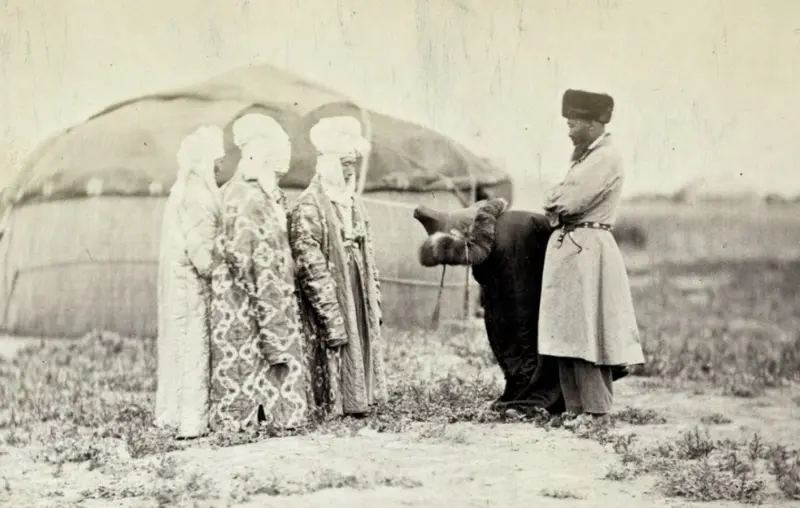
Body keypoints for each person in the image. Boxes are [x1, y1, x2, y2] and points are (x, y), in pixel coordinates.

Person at [538, 89, 645, 418]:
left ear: (590, 124)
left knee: (588, 333)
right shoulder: (585, 159)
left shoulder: (604, 159)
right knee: (568, 333)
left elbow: (566, 202)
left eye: (572, 124)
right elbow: (559, 199)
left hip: (589, 252)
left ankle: (596, 413)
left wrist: (556, 201)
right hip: (573, 251)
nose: (568, 131)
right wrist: (558, 201)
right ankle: (575, 410)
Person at [413, 198, 565, 416]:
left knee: (520, 323)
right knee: (497, 321)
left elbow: (520, 313)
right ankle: (518, 386)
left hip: (524, 258)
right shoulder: (485, 235)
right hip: (516, 261)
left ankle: (531, 391)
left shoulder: (503, 237)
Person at [208, 113, 309, 432]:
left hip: (254, 301)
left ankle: (264, 418)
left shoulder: (246, 192)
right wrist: (272, 313)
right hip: (249, 304)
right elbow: (255, 263)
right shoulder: (247, 197)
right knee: (253, 369)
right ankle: (258, 419)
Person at [288, 115, 387, 419]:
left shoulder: (353, 201)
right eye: (344, 163)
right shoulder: (309, 205)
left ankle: (359, 397)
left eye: (353, 163)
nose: (350, 170)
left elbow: (366, 245)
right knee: (334, 333)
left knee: (361, 328)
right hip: (331, 282)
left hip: (356, 278)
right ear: (329, 162)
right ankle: (334, 402)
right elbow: (308, 260)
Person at [155, 125, 225, 438]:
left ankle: (177, 416)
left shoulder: (184, 190)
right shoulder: (197, 195)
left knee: (182, 347)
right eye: (217, 159)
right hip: (192, 285)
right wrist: (222, 268)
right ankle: (191, 421)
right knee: (192, 347)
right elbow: (202, 252)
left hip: (183, 282)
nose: (221, 165)